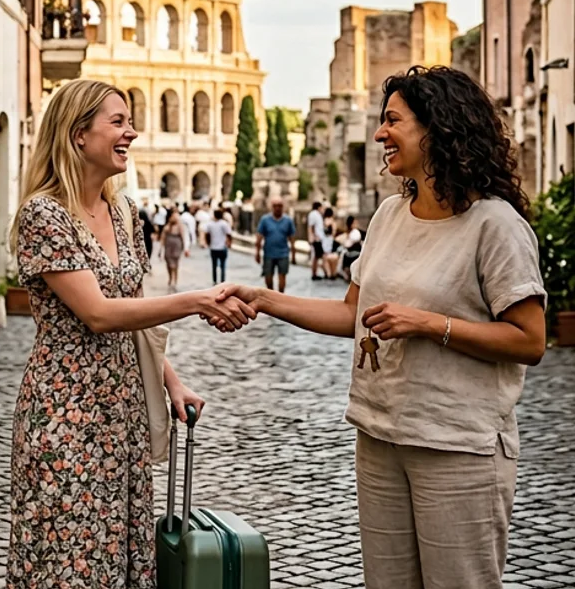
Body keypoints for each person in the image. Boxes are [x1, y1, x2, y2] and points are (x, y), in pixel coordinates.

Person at [220, 66, 546, 589]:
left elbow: (529, 340)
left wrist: (428, 324)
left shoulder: (496, 225)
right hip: (378, 434)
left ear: (437, 127)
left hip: (456, 445)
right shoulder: (390, 214)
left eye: (392, 120)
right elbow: (353, 314)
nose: (379, 134)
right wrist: (264, 299)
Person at [7, 78, 256, 588]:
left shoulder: (123, 214)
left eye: (130, 122)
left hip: (124, 414)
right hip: (66, 412)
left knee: (120, 550)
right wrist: (196, 300)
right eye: (117, 122)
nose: (132, 133)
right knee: (68, 554)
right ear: (78, 135)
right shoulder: (44, 215)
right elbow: (99, 314)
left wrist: (172, 382)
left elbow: (133, 319)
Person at [255, 196, 295, 293]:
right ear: (271, 207)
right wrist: (257, 252)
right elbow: (259, 237)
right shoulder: (265, 220)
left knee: (282, 276)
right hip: (269, 253)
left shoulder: (288, 221)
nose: (277, 208)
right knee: (268, 277)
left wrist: (293, 254)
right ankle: (271, 294)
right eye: (275, 206)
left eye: (280, 205)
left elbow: (292, 238)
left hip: (283, 253)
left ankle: (280, 296)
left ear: (283, 207)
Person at [161, 208, 189, 292]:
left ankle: (175, 279)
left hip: (176, 245)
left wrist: (185, 248)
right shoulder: (168, 225)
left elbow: (183, 236)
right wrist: (160, 249)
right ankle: (170, 277)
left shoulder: (180, 225)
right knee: (168, 262)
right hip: (168, 246)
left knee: (175, 263)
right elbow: (163, 237)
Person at [204, 208, 232, 285]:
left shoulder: (210, 224)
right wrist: (229, 243)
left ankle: (214, 280)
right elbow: (229, 234)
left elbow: (207, 234)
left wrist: (208, 243)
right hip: (222, 247)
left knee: (214, 265)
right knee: (223, 265)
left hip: (213, 247)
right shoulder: (224, 223)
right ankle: (222, 281)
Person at [340, 215, 363, 280]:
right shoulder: (351, 232)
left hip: (355, 252)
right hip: (350, 252)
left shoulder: (356, 232)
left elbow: (348, 244)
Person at [307, 200, 326, 278]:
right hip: (316, 239)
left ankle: (315, 273)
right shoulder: (314, 214)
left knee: (317, 257)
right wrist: (314, 237)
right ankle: (314, 273)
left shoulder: (317, 215)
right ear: (318, 207)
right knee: (316, 256)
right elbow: (312, 226)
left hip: (318, 238)